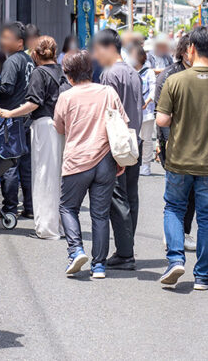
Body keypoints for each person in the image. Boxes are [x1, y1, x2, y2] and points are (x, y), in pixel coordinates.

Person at [155, 25, 208, 289]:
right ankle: (204, 275)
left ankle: (175, 260)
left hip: (179, 160)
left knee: (173, 208)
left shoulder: (175, 81)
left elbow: (162, 119)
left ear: (191, 48)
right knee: (207, 217)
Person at [54, 51, 126, 278]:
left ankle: (75, 250)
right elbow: (122, 122)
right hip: (106, 160)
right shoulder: (108, 92)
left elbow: (59, 127)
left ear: (69, 74)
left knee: (67, 207)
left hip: (77, 161)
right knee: (100, 215)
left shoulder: (66, 96)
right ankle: (99, 266)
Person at [0, 36, 68, 239]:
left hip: (44, 126)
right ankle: (60, 224)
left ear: (35, 54)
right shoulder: (60, 71)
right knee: (57, 177)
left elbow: (34, 103)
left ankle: (46, 228)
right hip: (60, 126)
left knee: (44, 176)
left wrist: (11, 113)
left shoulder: (39, 73)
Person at [92, 28, 144, 270]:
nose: (96, 55)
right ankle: (127, 247)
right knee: (130, 196)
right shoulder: (133, 73)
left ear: (107, 48)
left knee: (117, 198)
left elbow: (108, 115)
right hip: (135, 140)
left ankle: (125, 253)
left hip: (117, 143)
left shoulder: (109, 75)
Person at [155, 35, 197, 247]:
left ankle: (184, 230)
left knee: (192, 195)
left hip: (198, 145)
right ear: (183, 51)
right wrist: (167, 145)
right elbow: (160, 115)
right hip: (174, 143)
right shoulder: (168, 75)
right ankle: (172, 231)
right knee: (176, 193)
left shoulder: (202, 74)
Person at [0, 22, 35, 216]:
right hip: (27, 117)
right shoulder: (29, 61)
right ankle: (30, 207)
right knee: (26, 166)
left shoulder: (12, 61)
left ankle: (10, 208)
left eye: (8, 38)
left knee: (8, 164)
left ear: (19, 42)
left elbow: (6, 88)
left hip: (11, 118)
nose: (3, 42)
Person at [130, 44, 156, 176]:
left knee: (146, 139)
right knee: (133, 139)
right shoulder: (129, 71)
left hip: (147, 113)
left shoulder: (149, 72)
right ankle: (133, 164)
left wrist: (146, 102)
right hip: (132, 112)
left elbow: (153, 90)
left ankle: (146, 165)